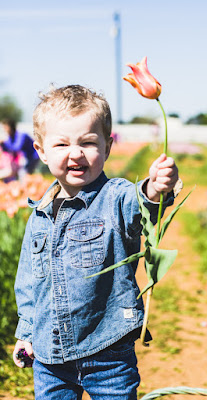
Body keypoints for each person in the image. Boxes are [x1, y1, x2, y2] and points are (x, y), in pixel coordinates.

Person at [13, 84, 179, 400]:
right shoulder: (39, 214)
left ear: (107, 148)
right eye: (61, 144)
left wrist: (157, 187)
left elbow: (143, 201)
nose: (75, 153)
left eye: (88, 143)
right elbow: (29, 282)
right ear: (41, 151)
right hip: (50, 359)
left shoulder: (115, 197)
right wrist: (26, 334)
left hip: (107, 353)